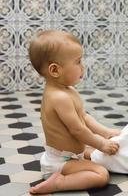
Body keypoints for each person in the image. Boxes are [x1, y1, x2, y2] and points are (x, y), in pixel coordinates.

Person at [28, 30, 120, 194]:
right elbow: (77, 130)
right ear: (55, 70)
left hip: (70, 154)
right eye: (78, 62)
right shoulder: (58, 97)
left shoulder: (67, 90)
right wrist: (101, 143)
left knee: (97, 154)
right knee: (101, 174)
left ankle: (75, 165)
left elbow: (84, 117)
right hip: (59, 162)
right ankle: (59, 182)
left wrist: (105, 132)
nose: (82, 66)